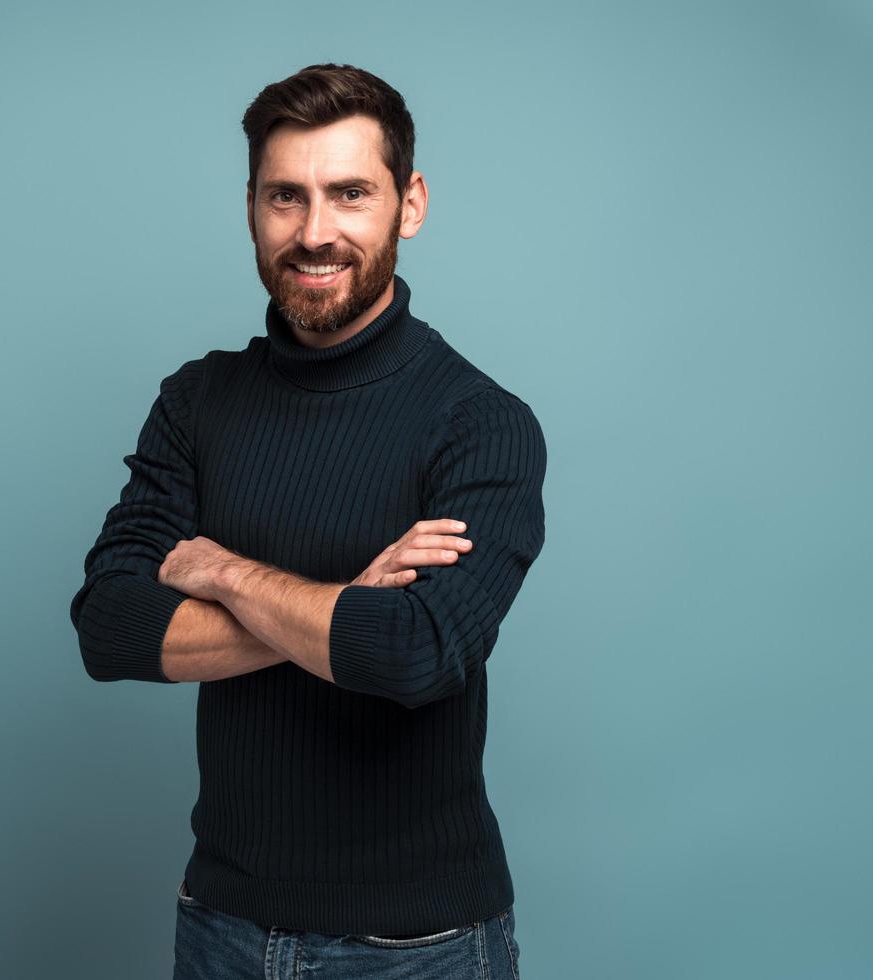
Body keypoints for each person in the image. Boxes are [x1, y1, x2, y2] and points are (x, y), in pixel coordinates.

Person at [70, 62, 544, 979]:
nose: (315, 233)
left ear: (410, 205)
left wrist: (223, 573)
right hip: (221, 925)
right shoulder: (197, 401)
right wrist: (345, 609)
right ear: (250, 203)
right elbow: (110, 628)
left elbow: (412, 656)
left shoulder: (482, 423)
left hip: (422, 950)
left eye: (349, 194)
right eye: (286, 196)